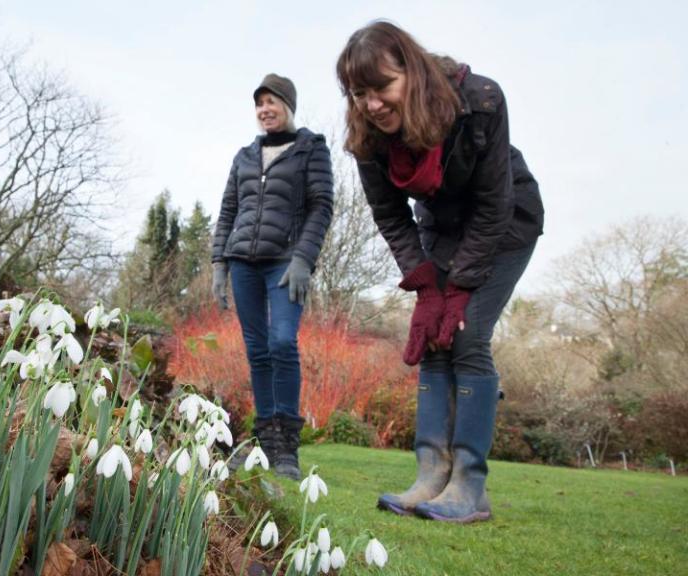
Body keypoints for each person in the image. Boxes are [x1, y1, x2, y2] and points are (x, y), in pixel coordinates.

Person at [336, 22, 544, 522]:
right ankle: (431, 476)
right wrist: (428, 287)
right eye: (358, 93)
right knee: (433, 337)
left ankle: (469, 487)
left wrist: (461, 289)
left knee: (468, 336)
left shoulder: (481, 100)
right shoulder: (368, 136)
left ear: (412, 71)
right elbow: (390, 216)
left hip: (506, 222)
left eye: (382, 87)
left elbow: (495, 203)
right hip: (442, 227)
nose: (371, 104)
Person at [211, 73, 334, 480]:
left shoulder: (310, 148)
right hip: (243, 261)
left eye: (273, 101)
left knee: (283, 342)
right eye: (259, 103)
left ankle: (287, 449)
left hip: (285, 260)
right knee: (257, 350)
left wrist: (304, 258)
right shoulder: (245, 156)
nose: (265, 109)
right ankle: (264, 445)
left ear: (288, 105)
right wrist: (218, 263)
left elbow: (322, 206)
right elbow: (228, 209)